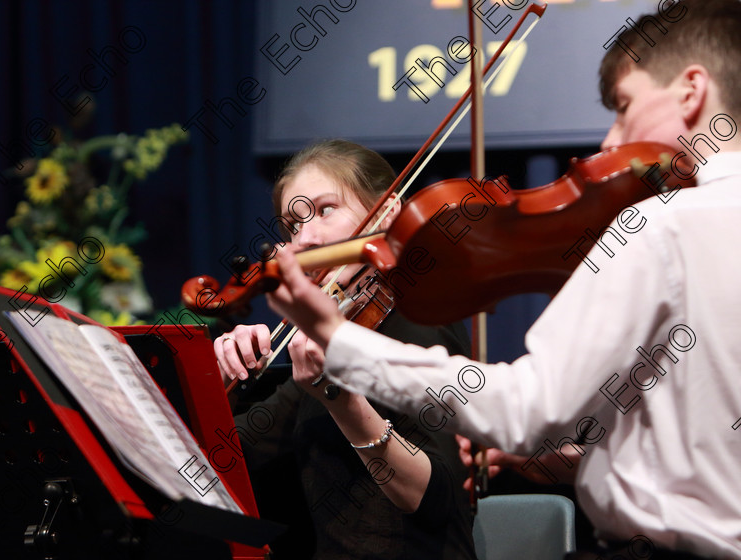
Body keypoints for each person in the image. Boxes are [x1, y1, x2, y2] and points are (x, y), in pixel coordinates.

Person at [265, 1, 741, 558]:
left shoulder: (660, 225)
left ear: (690, 91)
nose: (611, 140)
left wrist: (339, 339)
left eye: (624, 106)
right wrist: (590, 458)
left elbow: (526, 409)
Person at [213, 140, 478, 559]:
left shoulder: (422, 318)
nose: (308, 238)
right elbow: (230, 457)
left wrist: (342, 401)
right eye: (293, 225)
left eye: (325, 210)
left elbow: (436, 498)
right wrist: (221, 382)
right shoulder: (323, 343)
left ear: (388, 212)